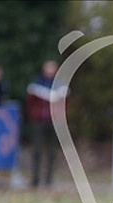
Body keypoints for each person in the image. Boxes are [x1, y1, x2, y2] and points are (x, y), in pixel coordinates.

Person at [27, 60, 67, 188]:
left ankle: (49, 179)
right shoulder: (36, 85)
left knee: (52, 151)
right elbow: (30, 104)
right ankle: (35, 178)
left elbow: (65, 105)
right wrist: (34, 116)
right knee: (37, 150)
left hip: (54, 122)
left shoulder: (61, 86)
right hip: (39, 121)